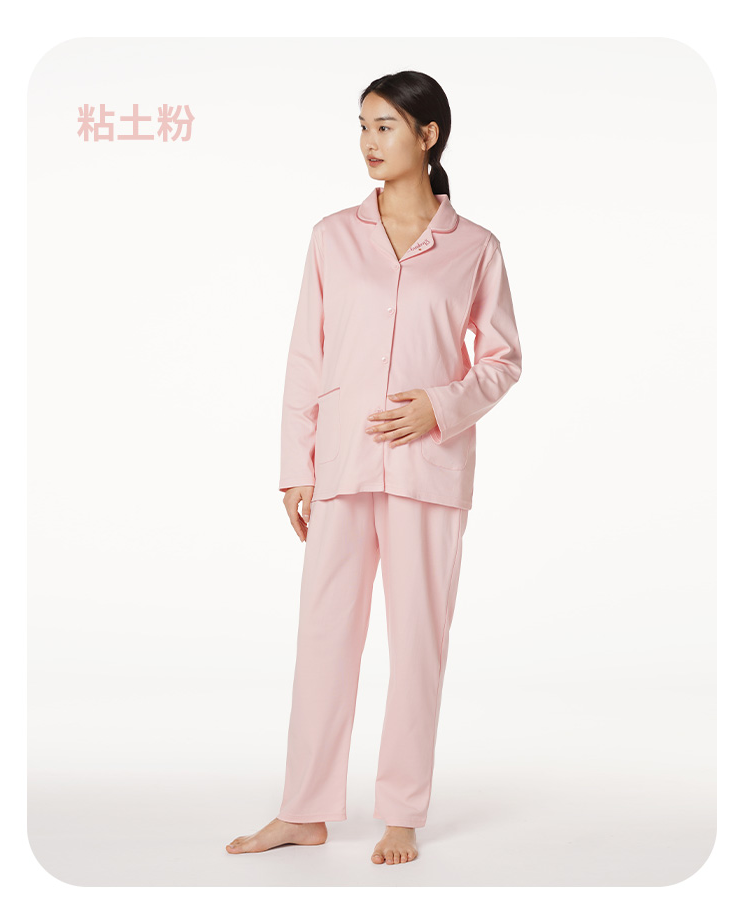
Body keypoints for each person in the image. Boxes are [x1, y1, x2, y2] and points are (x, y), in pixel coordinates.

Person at [226, 70, 522, 865]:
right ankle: (304, 809)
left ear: (428, 136)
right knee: (325, 637)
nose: (368, 141)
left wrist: (441, 406)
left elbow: (502, 359)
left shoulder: (476, 248)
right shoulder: (332, 236)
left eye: (385, 126)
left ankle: (401, 813)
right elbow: (306, 354)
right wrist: (297, 468)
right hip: (343, 464)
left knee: (418, 642)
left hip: (429, 468)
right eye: (362, 125)